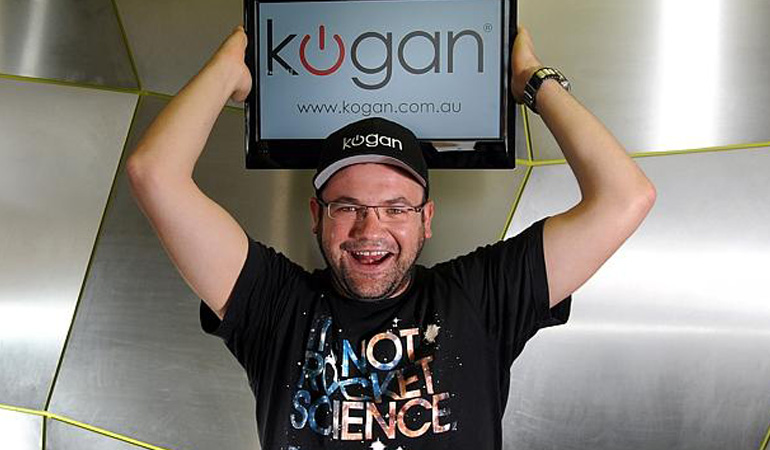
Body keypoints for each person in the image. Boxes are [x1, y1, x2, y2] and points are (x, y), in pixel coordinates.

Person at [127, 24, 656, 450]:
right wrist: (227, 70)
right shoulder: (274, 305)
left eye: (396, 208)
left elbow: (625, 197)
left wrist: (532, 80)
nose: (370, 229)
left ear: (426, 219)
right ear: (316, 215)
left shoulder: (482, 297)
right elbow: (154, 173)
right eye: (348, 206)